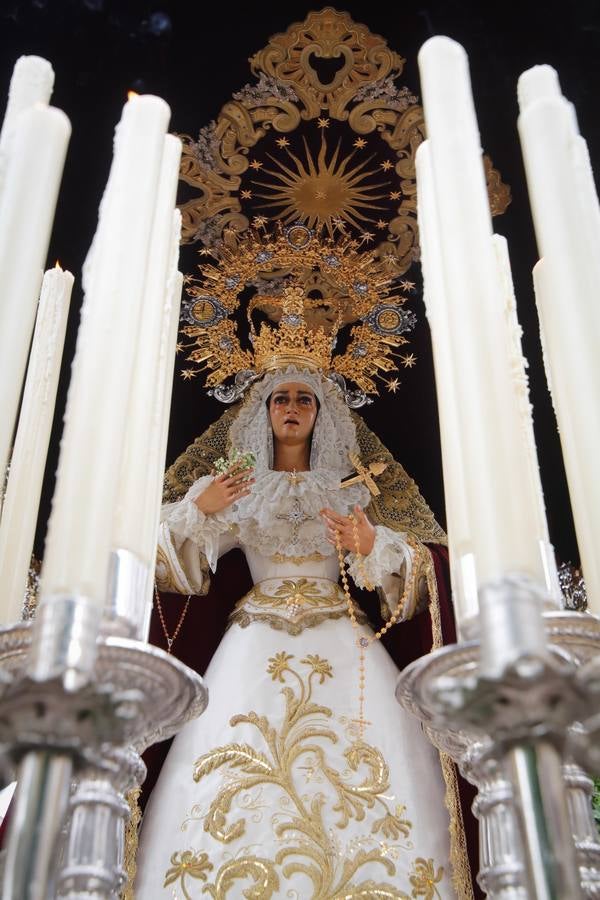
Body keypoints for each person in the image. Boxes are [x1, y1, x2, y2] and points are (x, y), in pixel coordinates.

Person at [134, 365, 473, 899]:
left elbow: (422, 575)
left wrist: (370, 544)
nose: (291, 408)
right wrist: (199, 511)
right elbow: (158, 562)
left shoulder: (354, 488)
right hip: (252, 640)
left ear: (321, 415)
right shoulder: (235, 487)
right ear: (265, 413)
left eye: (304, 400)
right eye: (280, 399)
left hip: (345, 640)